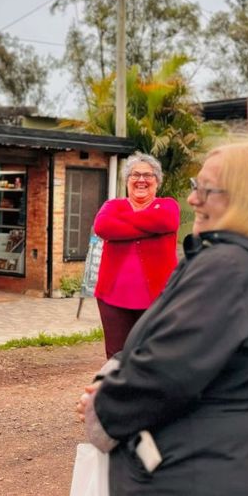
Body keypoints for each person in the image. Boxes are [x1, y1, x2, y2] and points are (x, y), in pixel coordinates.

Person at [77, 142, 248, 496]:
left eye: (205, 190)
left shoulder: (227, 270)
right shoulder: (239, 263)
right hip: (220, 489)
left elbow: (167, 371)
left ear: (247, 201)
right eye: (196, 186)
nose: (191, 198)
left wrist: (104, 407)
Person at [91, 152, 180, 358]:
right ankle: (120, 391)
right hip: (112, 297)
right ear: (127, 180)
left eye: (148, 175)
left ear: (157, 181)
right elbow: (103, 227)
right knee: (117, 357)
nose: (141, 180)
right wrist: (149, 225)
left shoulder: (168, 206)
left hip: (158, 297)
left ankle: (153, 391)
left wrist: (123, 223)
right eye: (135, 175)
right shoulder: (112, 206)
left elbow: (166, 222)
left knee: (155, 355)